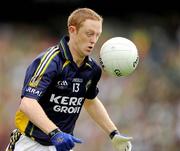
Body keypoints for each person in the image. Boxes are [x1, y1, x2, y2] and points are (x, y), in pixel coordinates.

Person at [6, 8, 132, 151]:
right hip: (30, 144)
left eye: (97, 35)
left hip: (61, 145)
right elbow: (28, 103)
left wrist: (113, 133)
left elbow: (90, 100)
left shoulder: (92, 69)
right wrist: (55, 133)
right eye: (89, 34)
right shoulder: (51, 61)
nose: (94, 40)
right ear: (72, 30)